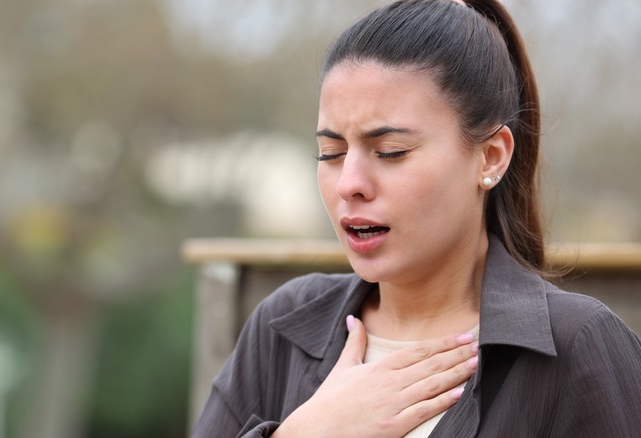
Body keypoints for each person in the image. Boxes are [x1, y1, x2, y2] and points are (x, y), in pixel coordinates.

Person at [191, 0, 641, 436]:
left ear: (490, 157)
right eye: (331, 153)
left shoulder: (576, 349)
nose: (349, 183)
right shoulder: (283, 328)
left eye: (391, 152)